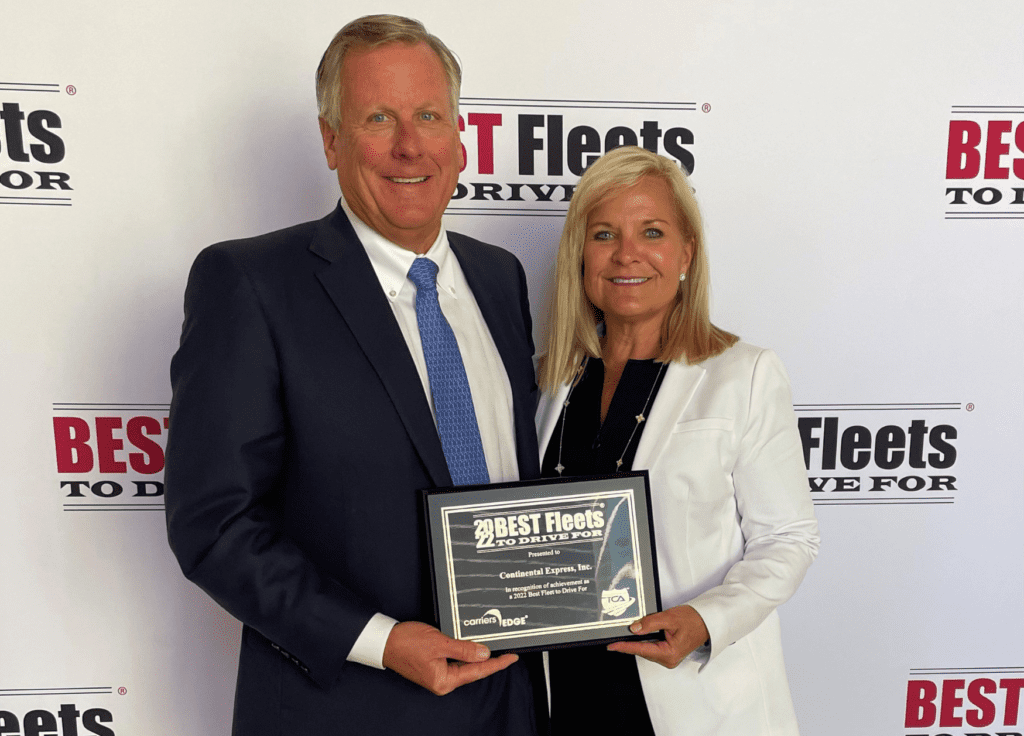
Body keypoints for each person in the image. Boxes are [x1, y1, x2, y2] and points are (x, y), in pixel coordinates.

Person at [164, 14, 545, 736]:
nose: (410, 144)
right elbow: (213, 525)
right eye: (379, 117)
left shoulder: (500, 278)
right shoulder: (250, 285)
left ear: (460, 134)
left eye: (429, 115)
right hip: (345, 708)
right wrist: (380, 641)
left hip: (507, 704)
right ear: (332, 139)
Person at [536, 146, 820, 735]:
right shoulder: (546, 379)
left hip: (694, 696)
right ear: (579, 256)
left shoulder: (743, 374)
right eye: (605, 233)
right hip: (564, 697)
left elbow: (788, 538)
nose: (627, 254)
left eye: (653, 231)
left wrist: (705, 619)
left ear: (686, 252)